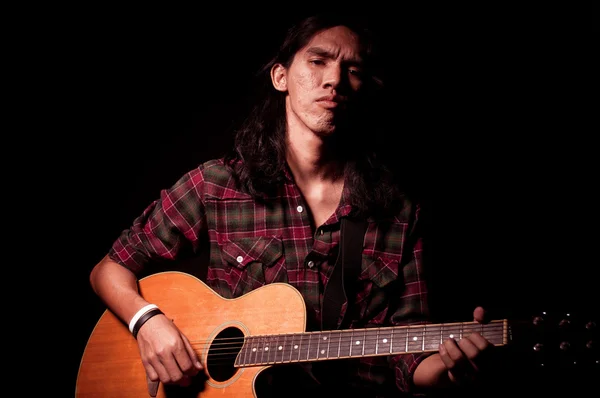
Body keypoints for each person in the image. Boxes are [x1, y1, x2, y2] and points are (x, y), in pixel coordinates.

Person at [86, 13, 496, 398]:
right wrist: (148, 322)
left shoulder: (401, 212)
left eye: (352, 70)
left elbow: (409, 354)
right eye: (318, 61)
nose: (334, 80)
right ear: (281, 76)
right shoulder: (218, 185)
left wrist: (446, 368)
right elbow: (109, 269)